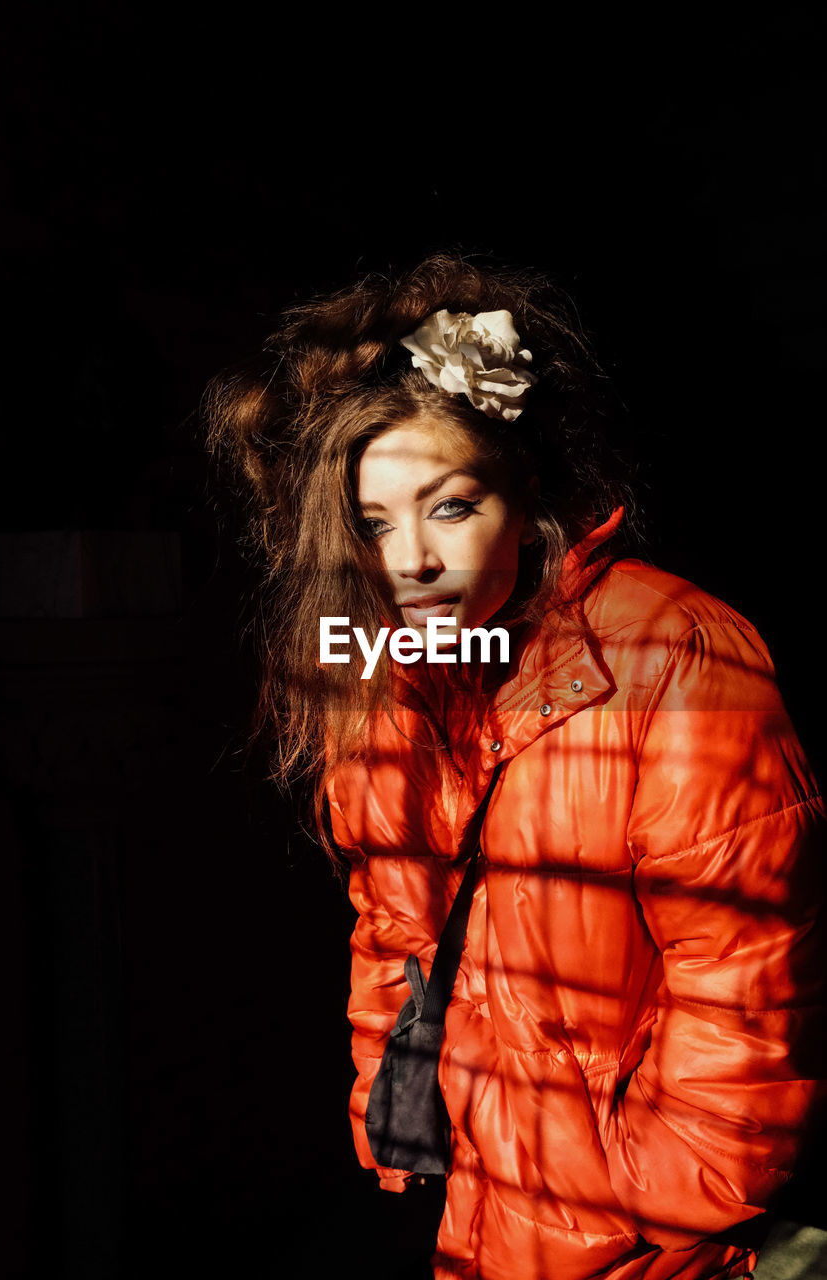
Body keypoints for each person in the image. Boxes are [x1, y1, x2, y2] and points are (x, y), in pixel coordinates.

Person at [205, 253, 825, 1280]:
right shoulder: (393, 666)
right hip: (482, 1208)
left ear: (524, 485)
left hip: (644, 1241)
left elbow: (745, 977)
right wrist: (394, 1113)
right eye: (373, 523)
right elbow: (391, 922)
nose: (411, 559)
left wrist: (650, 1193)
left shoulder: (672, 653)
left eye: (449, 506)